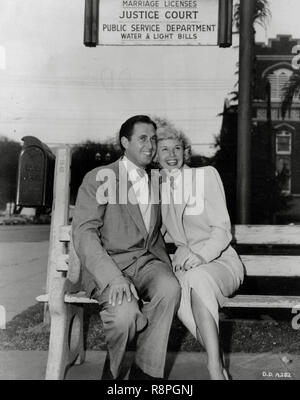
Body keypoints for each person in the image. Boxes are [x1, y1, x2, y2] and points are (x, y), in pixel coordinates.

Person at [72, 115, 181, 380]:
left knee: (170, 288)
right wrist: (113, 277)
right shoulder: (100, 177)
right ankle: (114, 377)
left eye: (154, 139)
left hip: (146, 264)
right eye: (143, 138)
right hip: (110, 266)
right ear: (125, 142)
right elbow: (84, 233)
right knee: (124, 316)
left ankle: (145, 376)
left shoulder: (157, 181)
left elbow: (156, 231)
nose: (151, 145)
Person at [156, 124, 244, 380]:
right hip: (186, 267)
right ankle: (219, 367)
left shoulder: (205, 176)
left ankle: (214, 369)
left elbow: (222, 229)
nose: (171, 154)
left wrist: (200, 255)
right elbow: (159, 233)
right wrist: (181, 246)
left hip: (220, 263)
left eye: (177, 148)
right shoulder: (159, 188)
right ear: (156, 156)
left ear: (186, 152)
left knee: (195, 279)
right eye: (164, 149)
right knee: (178, 286)